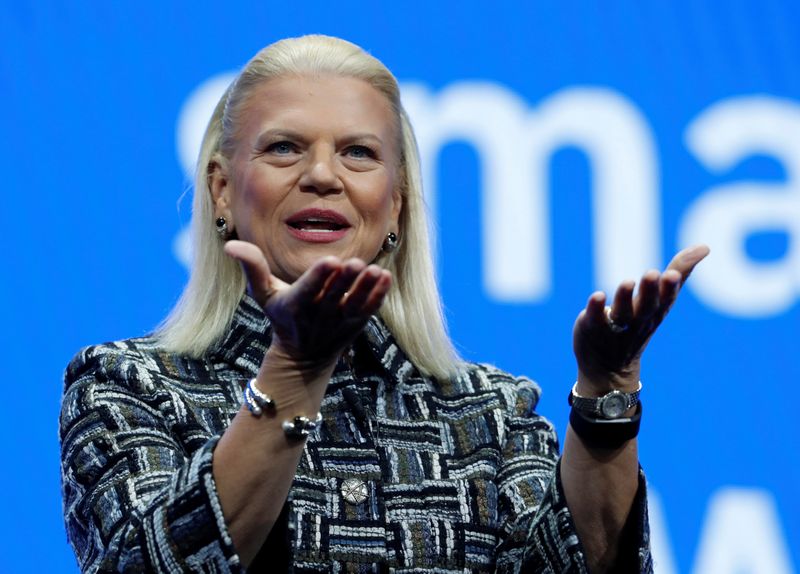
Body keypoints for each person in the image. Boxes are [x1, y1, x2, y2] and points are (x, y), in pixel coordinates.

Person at [59, 35, 708, 573]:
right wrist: (294, 370)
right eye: (284, 147)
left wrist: (606, 394)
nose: (321, 174)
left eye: (358, 153)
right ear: (223, 191)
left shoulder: (487, 414)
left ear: (395, 203)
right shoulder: (126, 387)